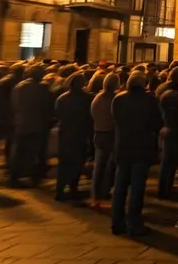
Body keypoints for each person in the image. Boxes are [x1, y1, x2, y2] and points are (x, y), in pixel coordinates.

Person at [110, 72, 161, 236]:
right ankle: (134, 223)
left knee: (120, 188)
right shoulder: (149, 101)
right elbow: (157, 123)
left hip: (123, 147)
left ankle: (117, 223)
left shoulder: (118, 99)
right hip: (141, 147)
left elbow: (115, 119)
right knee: (137, 188)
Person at [9, 64, 53, 187]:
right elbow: (47, 106)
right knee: (36, 152)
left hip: (22, 123)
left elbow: (15, 105)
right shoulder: (43, 88)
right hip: (38, 125)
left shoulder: (19, 87)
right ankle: (34, 177)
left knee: (19, 152)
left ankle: (14, 177)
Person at [54, 72, 92, 202]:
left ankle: (59, 190)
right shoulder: (86, 98)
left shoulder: (62, 98)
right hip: (79, 134)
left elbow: (58, 114)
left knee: (63, 164)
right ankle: (73, 189)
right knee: (77, 164)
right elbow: (89, 118)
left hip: (65, 134)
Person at [89, 73, 119, 210]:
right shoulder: (114, 99)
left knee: (100, 166)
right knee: (109, 166)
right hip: (110, 134)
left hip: (99, 133)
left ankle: (96, 196)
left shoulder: (97, 98)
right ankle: (105, 191)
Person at [157, 66, 178, 200]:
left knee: (166, 160)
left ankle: (165, 187)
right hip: (174, 129)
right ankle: (165, 189)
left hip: (164, 128)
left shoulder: (162, 90)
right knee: (171, 161)